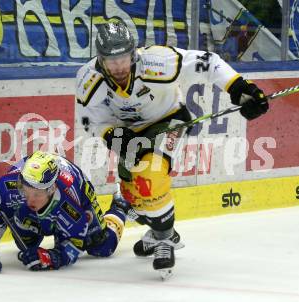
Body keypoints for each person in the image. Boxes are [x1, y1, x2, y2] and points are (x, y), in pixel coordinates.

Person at [75, 20, 269, 276]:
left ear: (134, 52)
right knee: (133, 195)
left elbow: (208, 62)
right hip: (129, 132)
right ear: (100, 60)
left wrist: (240, 89)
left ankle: (165, 240)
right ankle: (161, 231)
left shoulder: (158, 62)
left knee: (151, 175)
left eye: (124, 58)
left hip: (169, 120)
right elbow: (91, 120)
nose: (119, 66)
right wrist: (113, 137)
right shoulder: (88, 79)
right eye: (112, 61)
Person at [0, 150, 130, 273]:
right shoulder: (6, 188)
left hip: (79, 188)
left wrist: (53, 257)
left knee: (102, 246)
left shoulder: (70, 203)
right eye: (25, 191)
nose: (30, 199)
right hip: (42, 195)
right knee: (26, 244)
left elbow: (74, 244)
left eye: (37, 194)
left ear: (51, 189)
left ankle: (120, 206)